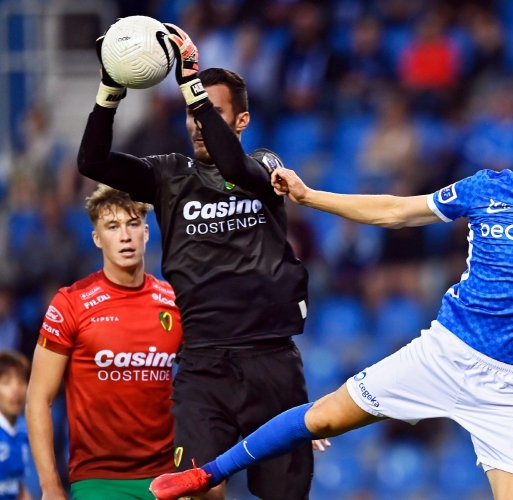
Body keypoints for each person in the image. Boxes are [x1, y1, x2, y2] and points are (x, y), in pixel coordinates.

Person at [150, 97, 513, 500]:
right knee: (321, 416)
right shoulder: (487, 190)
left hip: (509, 389)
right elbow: (400, 210)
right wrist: (311, 195)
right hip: (443, 354)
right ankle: (205, 475)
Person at [76, 24, 325, 499]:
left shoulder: (265, 167)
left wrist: (190, 84)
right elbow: (92, 161)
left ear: (242, 120)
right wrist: (110, 89)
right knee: (189, 492)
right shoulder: (168, 175)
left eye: (208, 111)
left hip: (270, 362)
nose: (195, 122)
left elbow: (233, 167)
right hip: (203, 366)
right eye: (191, 113)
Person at [26, 185, 183, 499]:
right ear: (97, 238)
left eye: (132, 224)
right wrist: (50, 487)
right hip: (98, 481)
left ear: (147, 232)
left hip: (168, 479)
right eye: (112, 227)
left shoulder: (175, 302)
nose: (125, 236)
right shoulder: (70, 303)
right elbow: (38, 398)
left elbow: (209, 383)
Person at [0, 350, 31, 500]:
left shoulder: (24, 433)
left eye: (21, 381)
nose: (16, 390)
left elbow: (16, 485)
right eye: (6, 382)